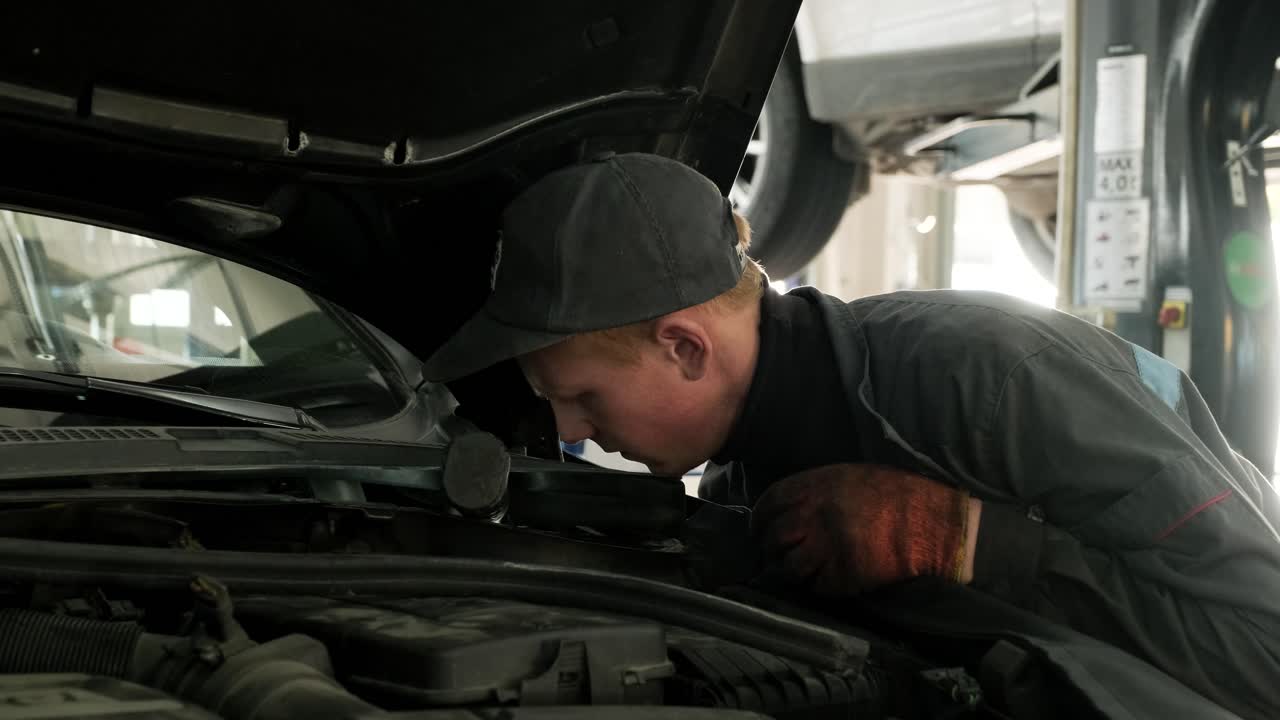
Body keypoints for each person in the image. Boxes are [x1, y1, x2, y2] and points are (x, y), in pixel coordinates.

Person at [424, 152, 1280, 719]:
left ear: (684, 346)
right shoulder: (748, 486)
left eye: (581, 398)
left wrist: (969, 544)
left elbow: (1263, 661)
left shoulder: (991, 379)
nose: (574, 431)